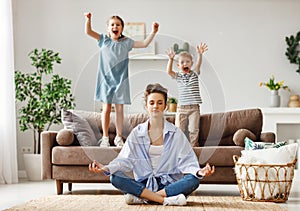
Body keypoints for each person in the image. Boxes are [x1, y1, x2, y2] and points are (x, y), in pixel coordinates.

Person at [89, 83, 215, 206]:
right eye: (152, 103)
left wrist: (199, 172)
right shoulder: (137, 133)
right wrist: (106, 168)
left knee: (193, 180)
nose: (156, 106)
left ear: (165, 106)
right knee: (115, 177)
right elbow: (124, 160)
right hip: (144, 184)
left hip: (169, 185)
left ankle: (144, 198)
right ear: (147, 106)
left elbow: (187, 160)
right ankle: (165, 200)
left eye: (160, 103)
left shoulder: (176, 133)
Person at [85, 13, 159, 147]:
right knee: (106, 109)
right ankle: (105, 138)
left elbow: (144, 43)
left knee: (119, 109)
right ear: (108, 28)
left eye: (118, 24)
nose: (115, 26)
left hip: (121, 81)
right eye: (112, 24)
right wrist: (88, 19)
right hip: (105, 80)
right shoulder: (104, 41)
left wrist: (153, 32)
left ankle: (118, 137)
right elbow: (88, 31)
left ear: (122, 28)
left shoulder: (126, 43)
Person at [166, 43, 208, 147]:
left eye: (188, 62)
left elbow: (199, 65)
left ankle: (194, 147)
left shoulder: (194, 73)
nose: (185, 64)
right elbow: (169, 71)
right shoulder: (178, 76)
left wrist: (200, 54)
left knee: (193, 129)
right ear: (178, 65)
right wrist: (171, 59)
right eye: (182, 62)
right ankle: (179, 147)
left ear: (191, 64)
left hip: (194, 108)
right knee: (179, 129)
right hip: (181, 108)